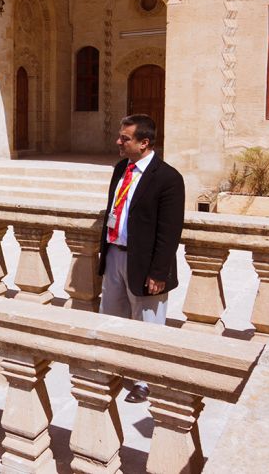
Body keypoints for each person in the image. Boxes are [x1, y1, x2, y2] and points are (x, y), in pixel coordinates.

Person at [98, 114, 185, 402]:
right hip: (114, 255)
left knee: (148, 322)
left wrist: (159, 272)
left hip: (146, 265)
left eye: (125, 138)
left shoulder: (168, 178)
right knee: (111, 316)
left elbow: (169, 232)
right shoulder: (121, 168)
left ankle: (144, 381)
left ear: (144, 143)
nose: (118, 142)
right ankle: (112, 366)